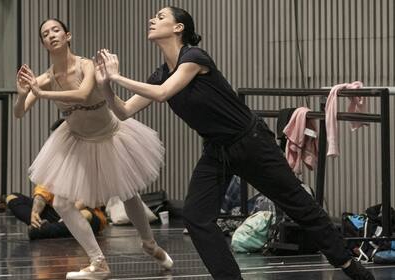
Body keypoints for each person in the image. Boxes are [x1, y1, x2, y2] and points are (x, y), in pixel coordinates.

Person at [94, 6, 375, 280]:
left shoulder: (194, 57)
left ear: (178, 28)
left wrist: (118, 76)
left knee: (298, 204)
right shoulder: (160, 72)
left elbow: (163, 93)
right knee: (195, 216)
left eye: (160, 17)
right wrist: (106, 84)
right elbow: (124, 111)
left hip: (250, 142)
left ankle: (350, 265)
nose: (152, 20)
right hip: (217, 151)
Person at [14, 18, 173, 279]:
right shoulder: (44, 79)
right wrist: (22, 94)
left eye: (56, 30)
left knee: (128, 193)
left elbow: (82, 93)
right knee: (64, 203)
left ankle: (149, 243)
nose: (51, 35)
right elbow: (19, 113)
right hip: (76, 140)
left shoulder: (85, 65)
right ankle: (98, 262)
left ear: (68, 36)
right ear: (43, 43)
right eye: (45, 33)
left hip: (110, 136)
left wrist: (41, 94)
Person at [6, 184, 107, 240]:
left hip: (83, 212)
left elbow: (89, 198)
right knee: (12, 197)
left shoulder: (90, 168)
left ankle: (43, 230)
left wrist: (68, 214)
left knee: (85, 215)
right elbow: (42, 192)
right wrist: (35, 212)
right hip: (56, 211)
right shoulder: (57, 166)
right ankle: (37, 224)